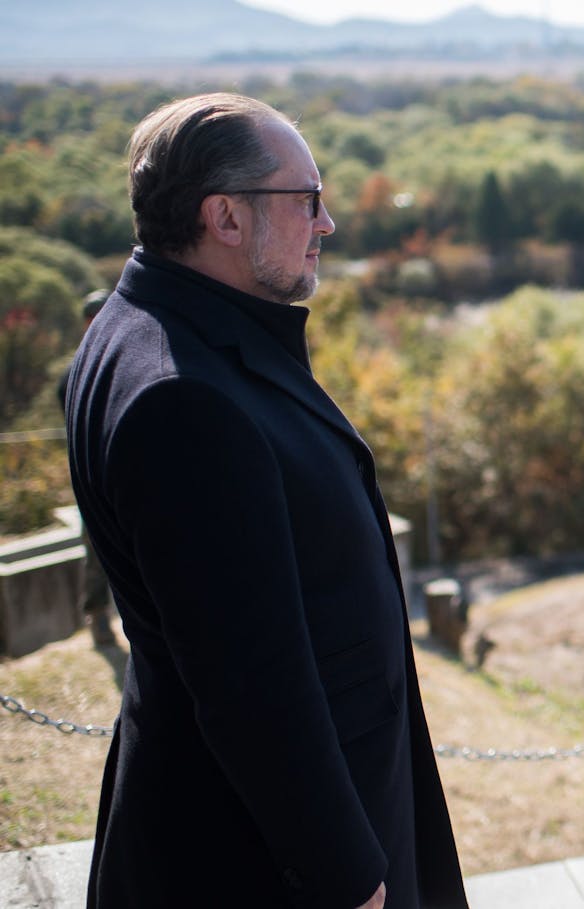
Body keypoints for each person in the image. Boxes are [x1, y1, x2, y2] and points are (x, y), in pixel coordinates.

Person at [64, 93, 467, 908]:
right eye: (307, 199)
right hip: (260, 860)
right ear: (225, 216)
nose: (325, 224)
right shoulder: (184, 399)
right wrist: (349, 874)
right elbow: (251, 684)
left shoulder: (157, 323)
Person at [58, 289, 115, 647]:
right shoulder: (76, 371)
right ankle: (97, 617)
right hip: (96, 473)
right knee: (96, 551)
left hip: (130, 472)